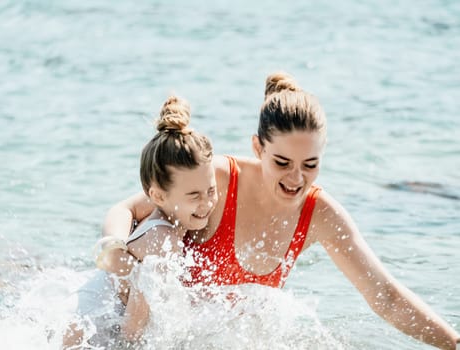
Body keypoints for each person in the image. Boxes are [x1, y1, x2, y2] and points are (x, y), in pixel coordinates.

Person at [100, 72, 460, 349]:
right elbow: (129, 208)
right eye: (283, 162)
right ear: (258, 148)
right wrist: (114, 249)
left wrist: (454, 343)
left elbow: (386, 297)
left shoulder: (320, 214)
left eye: (311, 164)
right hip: (132, 325)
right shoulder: (220, 179)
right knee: (162, 238)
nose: (296, 178)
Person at [62, 95, 218, 348]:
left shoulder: (165, 209)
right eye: (194, 195)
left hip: (88, 313)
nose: (207, 203)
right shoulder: (163, 242)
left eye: (211, 190)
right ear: (158, 195)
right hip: (87, 329)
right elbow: (132, 331)